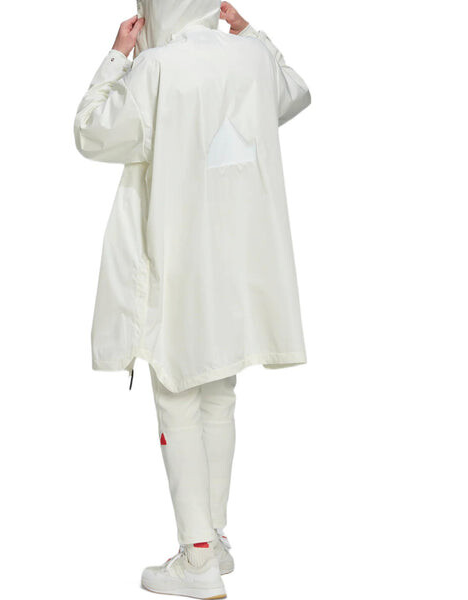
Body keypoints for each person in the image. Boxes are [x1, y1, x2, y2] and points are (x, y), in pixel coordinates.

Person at [73, 1, 311, 597]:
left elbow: (92, 132)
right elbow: (294, 93)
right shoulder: (251, 58)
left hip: (180, 261)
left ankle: (197, 557)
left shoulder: (156, 68)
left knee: (177, 395)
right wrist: (250, 30)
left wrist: (117, 56)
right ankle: (216, 538)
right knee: (219, 393)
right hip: (238, 266)